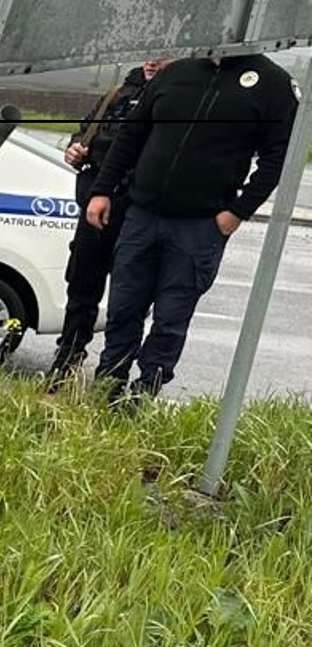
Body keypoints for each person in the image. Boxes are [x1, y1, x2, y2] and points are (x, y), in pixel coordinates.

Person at [83, 51, 300, 405]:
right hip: (143, 216)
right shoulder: (177, 73)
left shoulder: (272, 84)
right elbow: (132, 136)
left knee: (170, 319)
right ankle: (108, 387)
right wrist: (102, 190)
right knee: (123, 309)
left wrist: (237, 213)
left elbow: (279, 158)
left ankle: (144, 394)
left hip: (200, 226)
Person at [45, 57, 170, 387]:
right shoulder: (118, 92)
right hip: (95, 203)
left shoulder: (176, 97)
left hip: (136, 209)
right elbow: (86, 130)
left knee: (130, 297)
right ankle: (67, 357)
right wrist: (75, 150)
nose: (154, 61)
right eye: (152, 53)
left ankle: (113, 375)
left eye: (166, 55)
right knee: (81, 285)